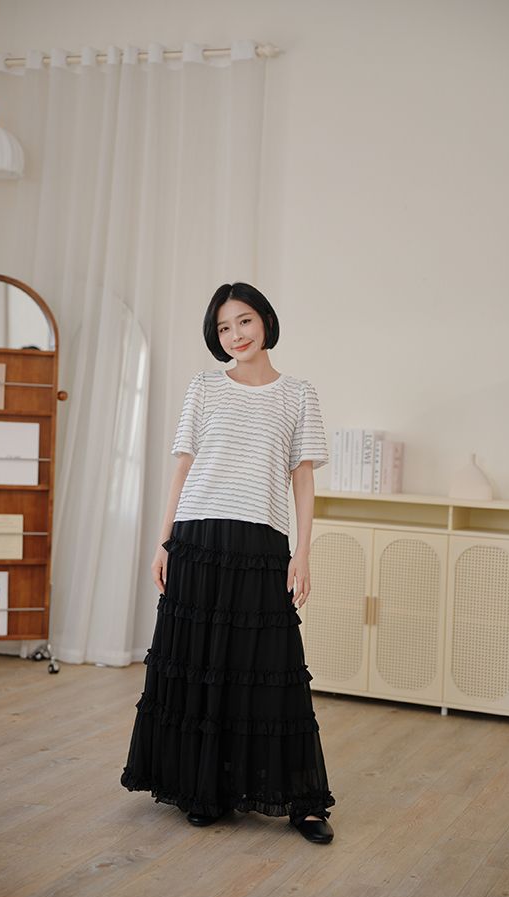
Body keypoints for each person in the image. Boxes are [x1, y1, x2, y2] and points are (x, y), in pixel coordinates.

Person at [121, 282, 335, 844]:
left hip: (262, 540)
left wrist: (303, 552)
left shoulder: (299, 395)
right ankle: (204, 790)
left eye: (243, 321)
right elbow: (184, 467)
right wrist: (164, 542)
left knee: (270, 667)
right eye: (223, 327)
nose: (235, 335)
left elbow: (303, 479)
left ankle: (302, 802)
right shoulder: (203, 388)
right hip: (198, 536)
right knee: (198, 663)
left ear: (265, 321)